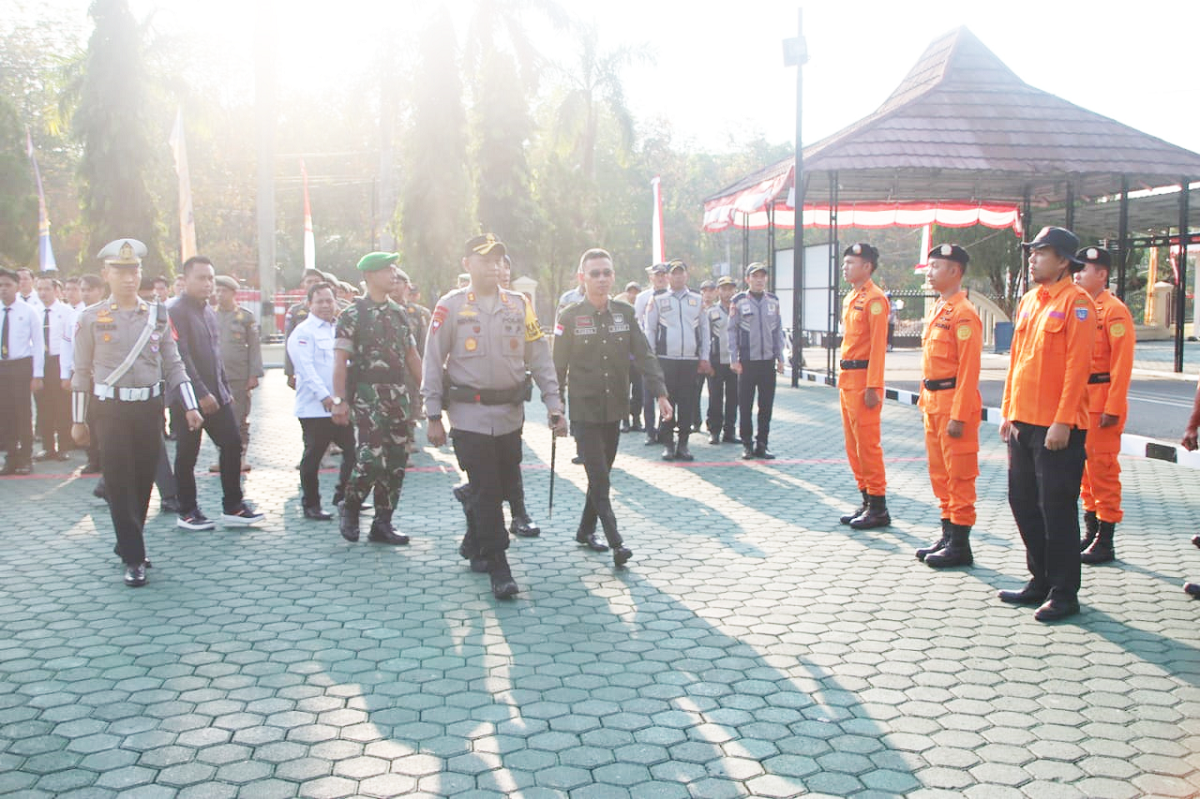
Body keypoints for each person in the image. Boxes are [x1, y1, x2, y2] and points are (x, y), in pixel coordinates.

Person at [423, 233, 566, 599]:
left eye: (498, 260)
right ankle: (499, 566)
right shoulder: (451, 306)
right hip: (469, 416)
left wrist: (554, 405)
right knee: (488, 491)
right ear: (466, 264)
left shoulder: (520, 305)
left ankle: (474, 540)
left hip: (509, 416)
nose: (493, 266)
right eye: (484, 259)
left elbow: (540, 358)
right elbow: (432, 360)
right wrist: (433, 414)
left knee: (500, 487)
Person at [70, 239, 203, 587]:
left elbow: (173, 363)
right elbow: (81, 371)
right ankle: (134, 556)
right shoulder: (90, 318)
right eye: (120, 271)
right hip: (110, 409)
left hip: (148, 407)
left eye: (133, 270)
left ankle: (128, 540)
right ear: (106, 274)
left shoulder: (159, 315)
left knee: (144, 480)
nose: (128, 278)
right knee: (118, 480)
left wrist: (190, 405)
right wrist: (77, 420)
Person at [998, 227, 1095, 622]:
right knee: (1022, 502)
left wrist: (1063, 421)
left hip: (1057, 428)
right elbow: (1017, 360)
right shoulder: (1029, 301)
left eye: (1042, 252)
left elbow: (1078, 367)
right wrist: (1008, 411)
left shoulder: (1078, 303)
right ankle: (1038, 579)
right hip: (1023, 421)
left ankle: (1063, 592)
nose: (1033, 258)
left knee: (1055, 509)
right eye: (1033, 252)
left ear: (1063, 261)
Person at [554, 248, 671, 565]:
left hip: (615, 408)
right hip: (584, 411)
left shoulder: (625, 313)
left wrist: (660, 393)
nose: (602, 279)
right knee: (601, 478)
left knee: (600, 475)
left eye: (607, 272)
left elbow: (644, 355)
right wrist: (557, 409)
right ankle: (617, 542)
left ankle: (584, 530)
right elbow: (557, 368)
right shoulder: (569, 318)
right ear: (582, 278)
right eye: (595, 273)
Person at [332, 254, 423, 545]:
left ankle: (383, 523)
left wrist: (429, 391)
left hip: (398, 394)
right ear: (370, 276)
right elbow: (339, 360)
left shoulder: (399, 313)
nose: (394, 274)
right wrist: (339, 400)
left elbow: (412, 356)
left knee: (396, 460)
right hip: (368, 395)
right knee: (371, 458)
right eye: (387, 270)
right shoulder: (352, 314)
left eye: (395, 268)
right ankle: (351, 504)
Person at [170, 256, 265, 531]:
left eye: (210, 278)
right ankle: (187, 510)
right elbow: (181, 357)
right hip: (188, 397)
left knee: (232, 444)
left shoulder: (208, 311)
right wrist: (200, 393)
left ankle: (233, 506)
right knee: (187, 453)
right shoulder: (176, 311)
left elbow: (216, 356)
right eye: (201, 278)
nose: (208, 283)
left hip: (216, 396)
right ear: (185, 280)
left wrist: (223, 390)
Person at [914, 244, 982, 568]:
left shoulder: (964, 313)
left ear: (955, 271)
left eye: (936, 266)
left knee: (960, 476)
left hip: (954, 405)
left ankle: (960, 544)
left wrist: (959, 414)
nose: (930, 272)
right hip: (933, 403)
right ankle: (947, 534)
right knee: (940, 474)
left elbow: (969, 369)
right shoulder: (940, 308)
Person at [1073, 247, 1134, 565]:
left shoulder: (1114, 311)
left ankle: (1106, 540)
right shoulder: (1081, 307)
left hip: (1102, 401)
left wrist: (1114, 405)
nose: (1078, 274)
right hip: (1081, 401)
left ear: (1102, 274)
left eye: (1084, 269)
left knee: (1103, 471)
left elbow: (1122, 365)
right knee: (1084, 471)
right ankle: (1091, 530)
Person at [287, 281, 354, 520]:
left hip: (341, 405)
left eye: (329, 300)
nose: (326, 305)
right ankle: (311, 504)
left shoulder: (339, 329)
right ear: (309, 304)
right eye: (320, 301)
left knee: (353, 452)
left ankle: (344, 497)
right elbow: (306, 370)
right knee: (313, 457)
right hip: (316, 408)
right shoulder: (303, 332)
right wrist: (328, 399)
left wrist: (343, 399)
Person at [837, 243, 891, 529]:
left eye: (851, 263)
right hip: (848, 379)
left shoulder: (875, 300)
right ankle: (867, 499)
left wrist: (874, 386)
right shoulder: (851, 298)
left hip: (864, 381)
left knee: (868, 445)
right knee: (853, 445)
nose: (845, 267)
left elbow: (878, 348)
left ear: (867, 267)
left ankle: (879, 506)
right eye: (845, 263)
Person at [644, 260, 712, 461]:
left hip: (690, 360)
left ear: (686, 276)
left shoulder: (697, 300)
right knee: (667, 401)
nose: (678, 277)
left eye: (681, 273)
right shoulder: (658, 300)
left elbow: (705, 331)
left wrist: (704, 357)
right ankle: (667, 444)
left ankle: (683, 444)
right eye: (674, 273)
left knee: (687, 402)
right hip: (666, 359)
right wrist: (651, 358)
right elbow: (650, 330)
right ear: (667, 277)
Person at [730, 263, 785, 459]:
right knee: (745, 404)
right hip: (747, 361)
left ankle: (762, 443)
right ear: (747, 279)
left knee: (766, 405)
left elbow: (778, 330)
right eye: (755, 276)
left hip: (767, 361)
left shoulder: (773, 301)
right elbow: (732, 332)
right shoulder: (738, 301)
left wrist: (780, 358)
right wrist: (733, 358)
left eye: (762, 276)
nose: (759, 280)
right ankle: (747, 444)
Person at [212, 275, 263, 471]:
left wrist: (253, 374)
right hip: (216, 376)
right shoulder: (210, 314)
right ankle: (223, 457)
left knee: (239, 417)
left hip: (238, 375)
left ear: (233, 293)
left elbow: (254, 348)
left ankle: (241, 457)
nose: (219, 294)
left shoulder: (245, 317)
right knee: (219, 420)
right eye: (217, 290)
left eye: (223, 290)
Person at [0, 268, 44, 475]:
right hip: (2, 367)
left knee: (23, 413)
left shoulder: (28, 311)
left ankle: (26, 457)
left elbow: (38, 344)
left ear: (17, 286)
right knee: (4, 414)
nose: (3, 289)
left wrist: (37, 374)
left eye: (7, 285)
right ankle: (10, 457)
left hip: (21, 366)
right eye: (0, 286)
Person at [33, 276, 75, 460]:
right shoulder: (33, 311)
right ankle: (48, 447)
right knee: (43, 407)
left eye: (46, 289)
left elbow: (71, 341)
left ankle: (64, 447)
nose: (43, 293)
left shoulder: (66, 311)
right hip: (40, 361)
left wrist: (69, 369)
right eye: (39, 289)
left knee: (62, 407)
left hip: (59, 361)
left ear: (56, 290)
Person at [635, 264, 669, 443]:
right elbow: (637, 322)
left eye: (664, 275)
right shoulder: (643, 297)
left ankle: (664, 429)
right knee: (648, 394)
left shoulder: (673, 296)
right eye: (657, 275)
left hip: (667, 353)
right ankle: (650, 431)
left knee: (666, 393)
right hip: (647, 352)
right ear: (651, 278)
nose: (661, 278)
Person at [706, 276, 740, 445]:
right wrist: (706, 361)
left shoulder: (738, 309)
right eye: (724, 289)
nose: (727, 292)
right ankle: (714, 431)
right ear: (718, 291)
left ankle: (730, 431)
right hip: (716, 361)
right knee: (715, 398)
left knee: (733, 398)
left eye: (730, 288)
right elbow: (705, 338)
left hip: (734, 362)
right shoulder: (711, 312)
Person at [284, 268, 324, 389]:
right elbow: (289, 342)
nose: (313, 285)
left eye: (316, 281)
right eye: (309, 281)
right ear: (303, 285)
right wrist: (289, 372)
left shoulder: (334, 308)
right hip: (304, 368)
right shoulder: (295, 311)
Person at [615, 281, 644, 432]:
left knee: (639, 391)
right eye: (631, 292)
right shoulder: (620, 312)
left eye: (636, 292)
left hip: (637, 360)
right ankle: (625, 420)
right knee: (624, 391)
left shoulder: (643, 311)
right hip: (623, 359)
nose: (634, 295)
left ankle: (637, 419)